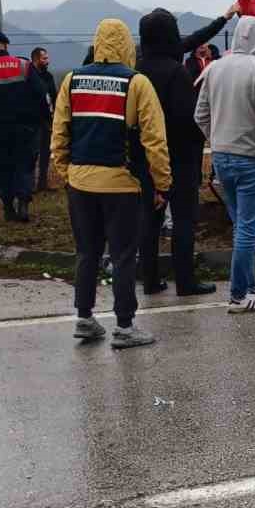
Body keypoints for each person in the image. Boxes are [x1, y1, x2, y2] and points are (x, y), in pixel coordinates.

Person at [51, 18, 171, 348]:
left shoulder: (72, 80)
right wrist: (162, 184)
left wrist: (67, 173)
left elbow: (59, 134)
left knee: (86, 252)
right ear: (126, 46)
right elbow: (154, 141)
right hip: (121, 184)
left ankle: (85, 319)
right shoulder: (137, 84)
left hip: (80, 183)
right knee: (122, 255)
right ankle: (124, 326)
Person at [136, 6, 236, 297]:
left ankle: (151, 280)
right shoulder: (176, 73)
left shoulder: (139, 69)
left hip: (144, 159)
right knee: (182, 219)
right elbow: (188, 119)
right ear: (169, 35)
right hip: (179, 158)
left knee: (149, 220)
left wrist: (223, 18)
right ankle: (185, 281)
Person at [194, 16, 255, 313]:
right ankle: (238, 295)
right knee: (248, 230)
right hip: (253, 159)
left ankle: (252, 284)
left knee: (240, 226)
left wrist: (216, 140)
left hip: (221, 158)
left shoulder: (215, 68)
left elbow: (200, 115)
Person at [0, 30, 45, 223]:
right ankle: (23, 204)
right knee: (24, 166)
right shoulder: (24, 65)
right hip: (25, 130)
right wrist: (44, 121)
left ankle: (8, 207)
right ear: (5, 46)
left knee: (3, 168)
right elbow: (41, 95)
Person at [30, 46, 57, 191]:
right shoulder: (29, 77)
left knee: (45, 154)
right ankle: (30, 184)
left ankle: (42, 184)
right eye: (44, 58)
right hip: (33, 121)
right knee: (33, 154)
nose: (47, 61)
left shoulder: (49, 77)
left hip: (47, 121)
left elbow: (54, 96)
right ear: (36, 59)